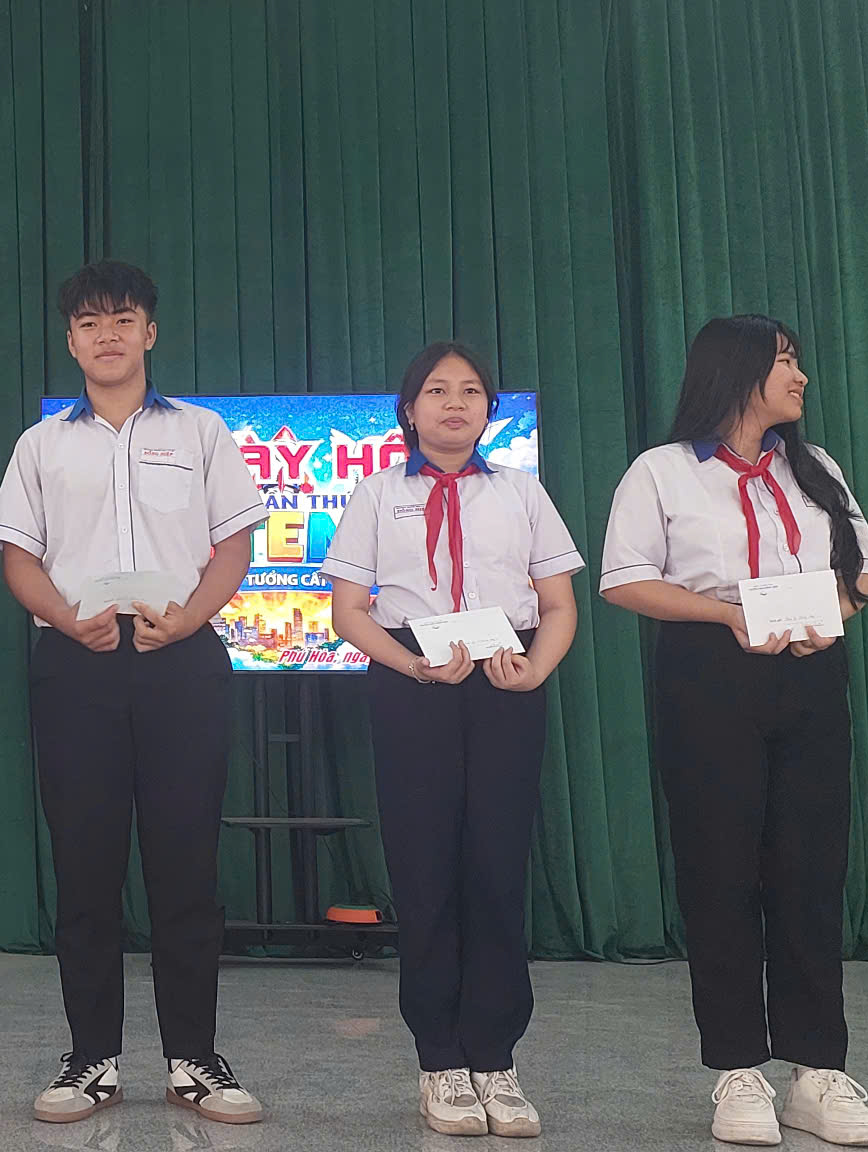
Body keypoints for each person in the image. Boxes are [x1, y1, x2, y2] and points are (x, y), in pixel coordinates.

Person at [0, 260, 269, 1125]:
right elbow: (18, 558)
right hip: (77, 661)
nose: (105, 335)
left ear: (150, 332)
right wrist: (67, 620)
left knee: (186, 865)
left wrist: (189, 619)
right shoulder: (41, 445)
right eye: (88, 323)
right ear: (70, 341)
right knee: (85, 866)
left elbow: (234, 544)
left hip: (180, 657)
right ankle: (91, 1058)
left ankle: (194, 1059)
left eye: (122, 319)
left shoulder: (202, 433)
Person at [599, 315, 868, 1147]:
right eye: (785, 362)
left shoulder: (816, 465)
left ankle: (818, 1070)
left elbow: (865, 569)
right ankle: (736, 1070)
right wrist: (729, 614)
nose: (800, 377)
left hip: (810, 670)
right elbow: (624, 580)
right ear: (736, 371)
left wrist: (824, 616)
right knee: (720, 870)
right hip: (709, 672)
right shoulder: (661, 470)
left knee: (811, 869)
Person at [322, 342, 582, 1138]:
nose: (455, 404)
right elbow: (348, 611)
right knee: (425, 871)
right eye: (438, 391)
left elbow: (559, 605)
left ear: (489, 411)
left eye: (471, 391)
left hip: (506, 683)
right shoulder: (376, 492)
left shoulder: (522, 492)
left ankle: (496, 1060)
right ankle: (439, 1059)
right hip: (413, 684)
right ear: (409, 410)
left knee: (497, 871)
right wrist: (410, 666)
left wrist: (534, 672)